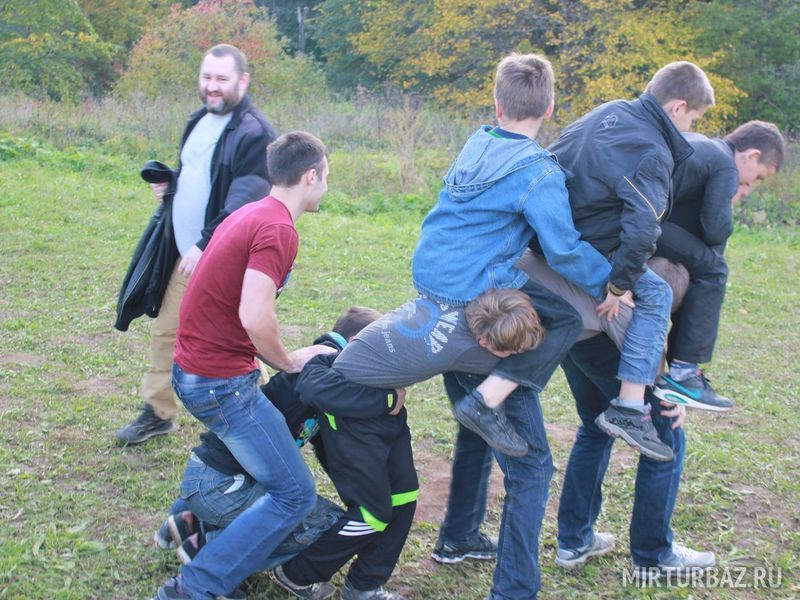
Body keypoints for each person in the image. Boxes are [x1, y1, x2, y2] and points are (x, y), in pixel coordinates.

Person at [152, 131, 334, 600]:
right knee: (296, 495)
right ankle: (193, 587)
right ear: (310, 176)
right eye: (326, 176)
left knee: (261, 456)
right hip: (218, 383)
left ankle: (185, 521)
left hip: (195, 370)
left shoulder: (252, 212)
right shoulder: (278, 229)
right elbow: (254, 315)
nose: (326, 185)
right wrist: (288, 361)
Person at [411, 53, 612, 458]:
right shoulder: (538, 172)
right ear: (549, 108)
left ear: (497, 105)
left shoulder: (478, 143)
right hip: (469, 280)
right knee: (565, 320)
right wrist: (611, 283)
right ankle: (485, 401)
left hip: (428, 269)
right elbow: (564, 251)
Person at [291, 288, 547, 600]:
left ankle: (364, 585)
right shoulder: (467, 350)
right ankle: (298, 573)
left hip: (383, 405)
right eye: (508, 351)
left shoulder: (453, 301)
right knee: (372, 513)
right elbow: (521, 368)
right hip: (349, 409)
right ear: (485, 343)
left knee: (403, 496)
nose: (511, 356)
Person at [548, 61, 716, 460]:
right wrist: (618, 285)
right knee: (657, 294)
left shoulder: (607, 111)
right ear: (677, 107)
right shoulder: (652, 151)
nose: (690, 128)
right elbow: (642, 232)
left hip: (558, 232)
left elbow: (553, 157)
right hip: (593, 244)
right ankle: (629, 406)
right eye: (693, 118)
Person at [117, 44, 277, 445]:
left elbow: (245, 199)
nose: (212, 86)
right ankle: (158, 412)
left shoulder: (254, 133)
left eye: (222, 79)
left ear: (243, 80)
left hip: (221, 257)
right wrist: (171, 183)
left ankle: (271, 409)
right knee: (166, 331)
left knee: (232, 340)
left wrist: (206, 243)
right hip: (184, 252)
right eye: (207, 77)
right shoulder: (199, 120)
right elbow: (202, 176)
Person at [154, 308, 381, 585]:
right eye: (378, 350)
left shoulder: (320, 363)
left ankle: (187, 521)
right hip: (223, 486)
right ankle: (207, 547)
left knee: (285, 490)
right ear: (357, 341)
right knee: (327, 524)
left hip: (209, 477)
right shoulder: (330, 371)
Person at [653, 121, 785, 410]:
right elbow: (715, 229)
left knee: (705, 264)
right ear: (751, 155)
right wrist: (728, 202)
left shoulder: (702, 145)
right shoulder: (725, 163)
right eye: (757, 178)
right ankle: (685, 372)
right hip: (644, 220)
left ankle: (682, 368)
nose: (749, 187)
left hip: (639, 215)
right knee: (714, 269)